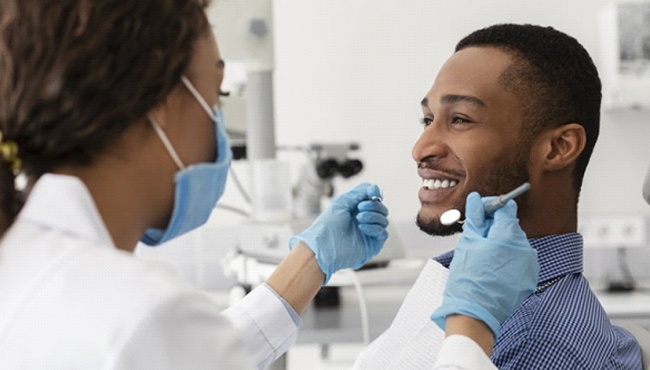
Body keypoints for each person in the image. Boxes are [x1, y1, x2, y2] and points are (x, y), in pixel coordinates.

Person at [0, 1, 390, 369]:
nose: (218, 122)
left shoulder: (25, 265)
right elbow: (162, 342)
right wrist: (455, 337)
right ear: (161, 101)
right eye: (216, 95)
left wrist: (309, 263)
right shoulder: (147, 315)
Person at [357, 23, 643, 369]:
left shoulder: (537, 343)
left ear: (558, 147)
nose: (421, 149)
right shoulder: (472, 293)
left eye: (460, 119)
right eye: (427, 119)